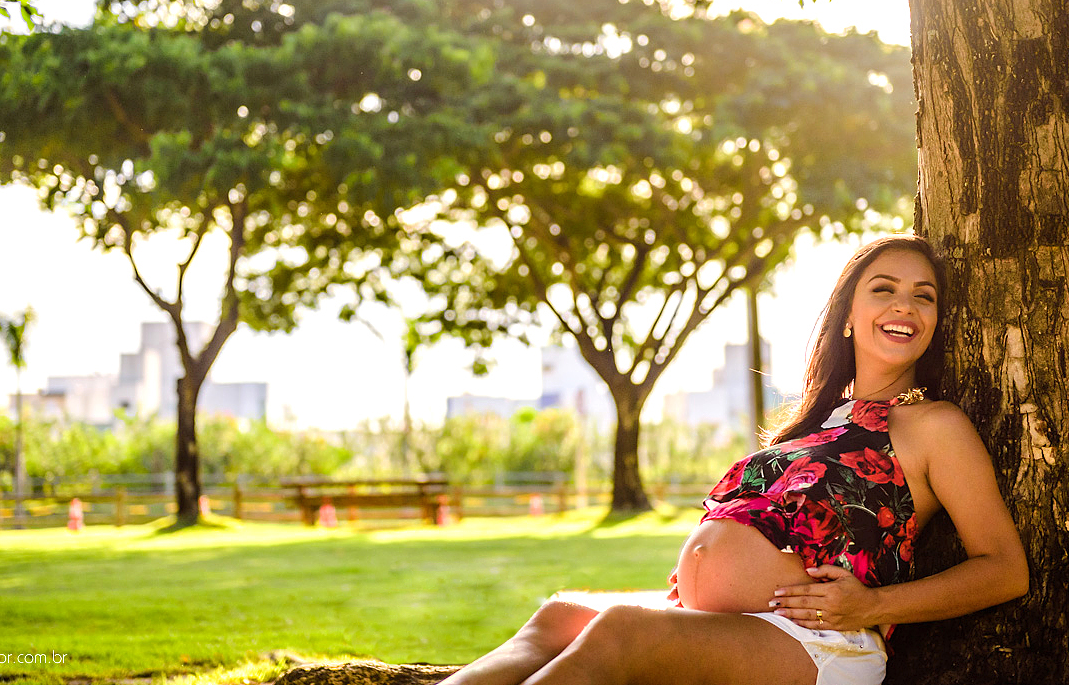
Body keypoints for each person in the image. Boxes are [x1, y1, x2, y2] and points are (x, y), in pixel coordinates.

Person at [440, 235, 1028, 685]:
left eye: (923, 297)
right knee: (559, 614)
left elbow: (1004, 567)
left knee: (620, 633)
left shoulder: (933, 425)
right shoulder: (815, 422)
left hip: (821, 643)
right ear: (848, 313)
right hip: (741, 626)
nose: (905, 305)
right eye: (884, 289)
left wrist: (875, 604)